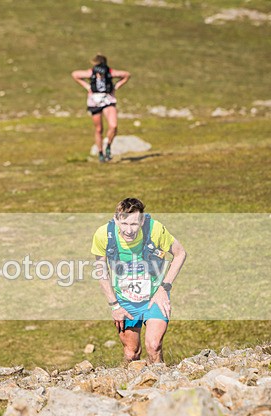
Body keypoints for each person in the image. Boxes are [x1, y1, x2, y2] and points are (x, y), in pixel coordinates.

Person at [91, 198, 186, 363]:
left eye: (134, 224)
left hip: (154, 297)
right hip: (125, 301)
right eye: (124, 224)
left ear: (142, 221)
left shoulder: (155, 230)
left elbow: (180, 254)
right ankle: (131, 385)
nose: (129, 230)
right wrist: (115, 306)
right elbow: (101, 271)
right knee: (131, 353)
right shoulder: (103, 235)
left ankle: (161, 385)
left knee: (154, 346)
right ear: (116, 220)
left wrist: (164, 289)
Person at [71, 54, 130, 163]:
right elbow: (75, 74)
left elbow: (126, 74)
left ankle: (108, 146)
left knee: (113, 125)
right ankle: (100, 152)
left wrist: (116, 86)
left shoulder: (110, 72)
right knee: (99, 129)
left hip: (108, 100)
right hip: (95, 102)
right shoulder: (91, 72)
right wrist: (87, 86)